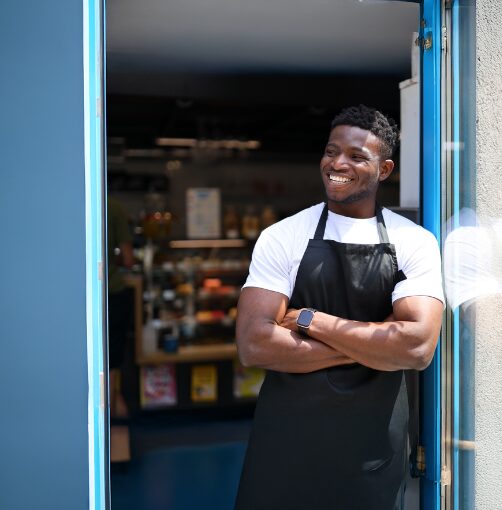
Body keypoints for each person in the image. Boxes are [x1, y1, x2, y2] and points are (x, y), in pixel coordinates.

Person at [234, 105, 444, 510]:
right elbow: (254, 345)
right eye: (332, 151)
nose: (338, 163)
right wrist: (375, 345)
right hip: (288, 441)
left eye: (356, 156)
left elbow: (417, 348)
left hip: (373, 446)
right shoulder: (283, 236)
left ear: (384, 169)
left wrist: (312, 320)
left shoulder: (414, 241)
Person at [107, 195, 134, 418]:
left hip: (84, 296)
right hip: (112, 291)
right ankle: (112, 414)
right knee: (113, 358)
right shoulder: (114, 206)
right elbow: (128, 260)